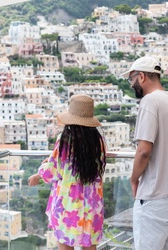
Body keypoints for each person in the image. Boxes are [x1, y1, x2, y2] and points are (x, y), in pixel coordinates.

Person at [121, 56, 168, 250]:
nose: (131, 84)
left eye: (132, 79)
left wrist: (133, 179)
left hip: (156, 195)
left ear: (142, 77)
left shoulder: (150, 102)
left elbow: (144, 151)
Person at [28, 94, 107, 250]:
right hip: (93, 203)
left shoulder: (65, 139)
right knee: (90, 245)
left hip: (68, 203)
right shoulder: (99, 141)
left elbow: (52, 170)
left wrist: (38, 174)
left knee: (65, 246)